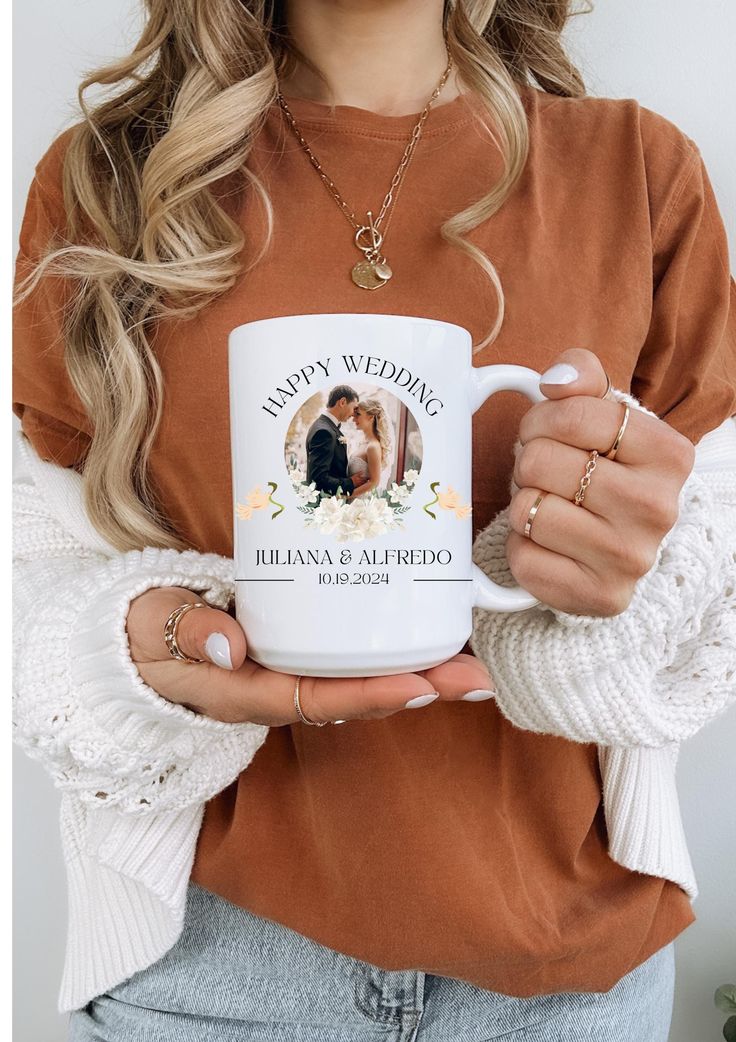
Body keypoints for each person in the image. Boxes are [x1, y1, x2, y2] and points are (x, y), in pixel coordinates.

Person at [11, 1, 736, 1039]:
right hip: (209, 972)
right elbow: (32, 569)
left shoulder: (635, 172)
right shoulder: (107, 186)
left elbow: (711, 600)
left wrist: (605, 584)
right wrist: (128, 656)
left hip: (568, 971)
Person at [305, 384, 365, 496]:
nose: (353, 414)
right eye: (354, 408)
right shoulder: (324, 432)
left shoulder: (325, 426)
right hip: (325, 503)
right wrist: (350, 482)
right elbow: (318, 479)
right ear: (342, 402)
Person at [346, 397, 394, 498]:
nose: (353, 419)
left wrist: (346, 496)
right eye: (354, 415)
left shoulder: (373, 446)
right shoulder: (363, 442)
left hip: (360, 501)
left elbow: (374, 482)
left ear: (371, 417)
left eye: (358, 415)